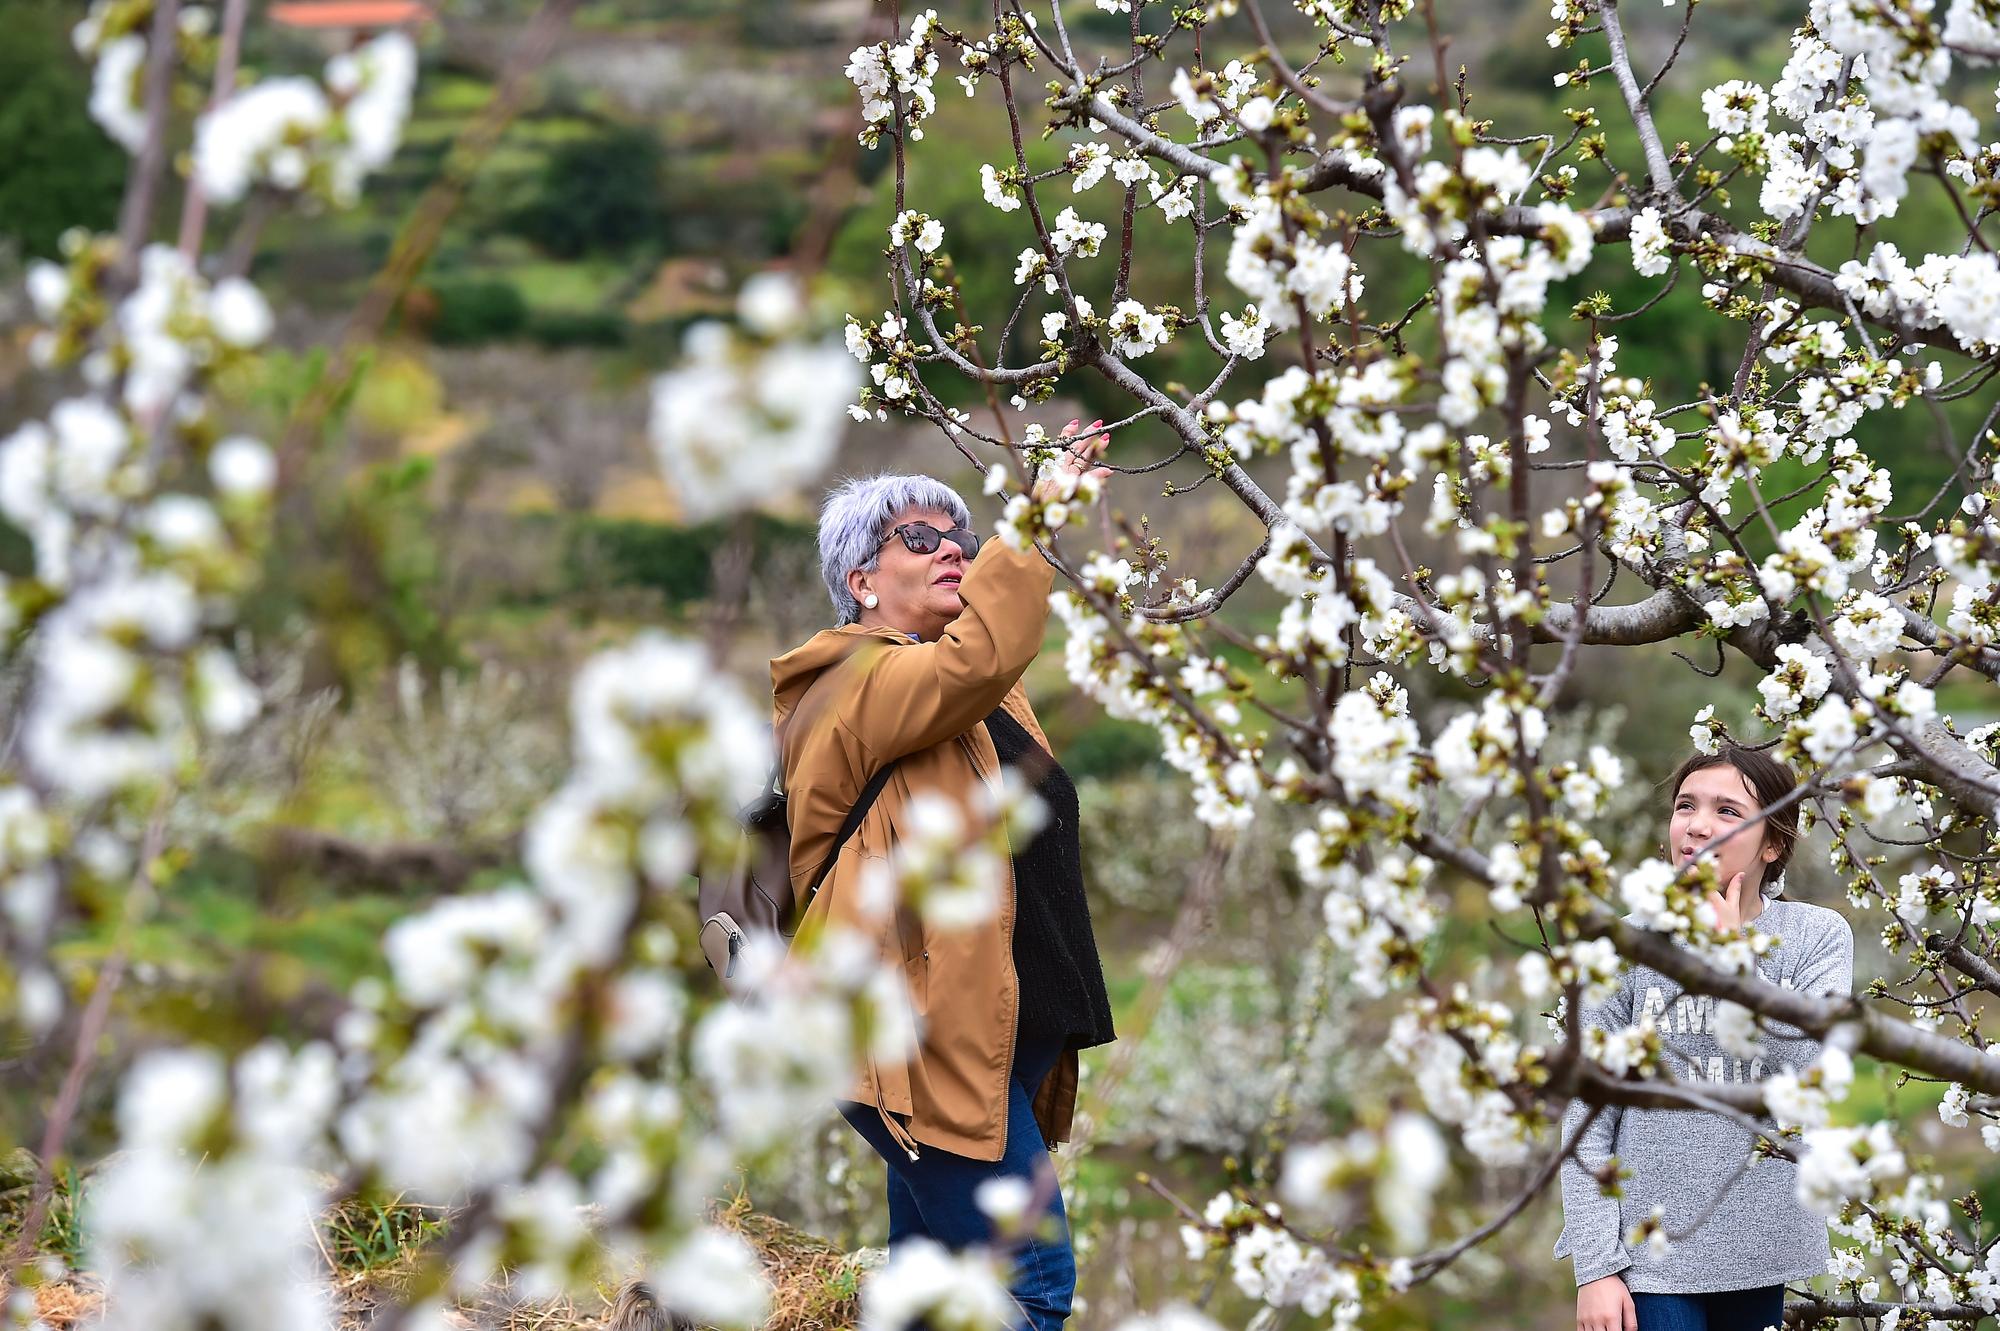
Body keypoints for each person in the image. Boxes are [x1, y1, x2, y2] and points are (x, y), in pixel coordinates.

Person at [767, 430, 1117, 1331]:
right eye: (920, 539)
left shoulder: (977, 700)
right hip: (913, 1048)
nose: (951, 547)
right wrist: (1037, 519)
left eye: (959, 535)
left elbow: (980, 669)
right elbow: (977, 656)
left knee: (924, 1293)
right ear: (862, 580)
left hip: (977, 1041)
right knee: (1029, 1289)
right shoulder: (849, 682)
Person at [1557, 745, 1855, 1331]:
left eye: (1726, 810)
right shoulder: (1625, 946)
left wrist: (1733, 961)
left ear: (1772, 844)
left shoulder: (1815, 938)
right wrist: (1595, 1268)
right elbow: (1587, 1116)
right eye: (1686, 806)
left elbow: (1807, 1071)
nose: (1696, 825)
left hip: (1764, 1246)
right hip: (1651, 1254)